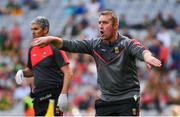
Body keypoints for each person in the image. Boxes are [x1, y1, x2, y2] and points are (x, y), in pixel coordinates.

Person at [32, 10, 162, 116]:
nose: (101, 26)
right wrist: (52, 39)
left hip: (127, 99)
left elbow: (141, 50)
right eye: (99, 22)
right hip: (106, 100)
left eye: (105, 23)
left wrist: (147, 57)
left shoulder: (127, 43)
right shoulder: (94, 45)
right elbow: (70, 45)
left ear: (115, 25)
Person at [15, 16, 73, 116]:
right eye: (32, 29)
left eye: (36, 29)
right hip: (39, 96)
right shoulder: (32, 49)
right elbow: (32, 70)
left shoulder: (55, 47)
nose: (33, 32)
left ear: (45, 30)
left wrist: (63, 94)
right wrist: (22, 72)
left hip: (54, 94)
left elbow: (68, 72)